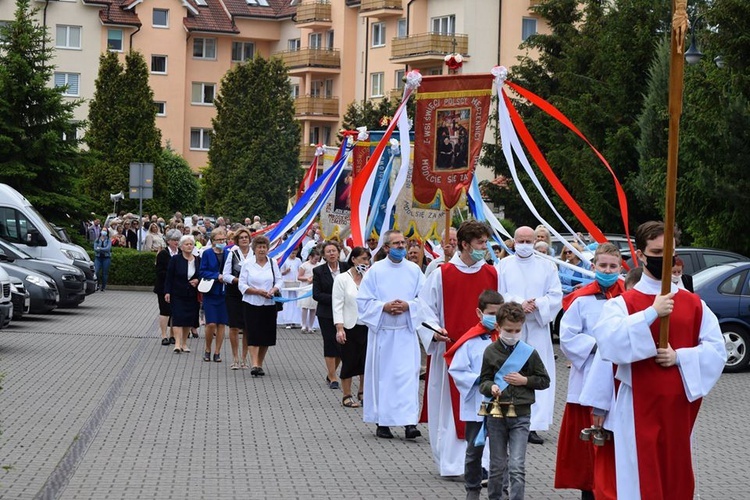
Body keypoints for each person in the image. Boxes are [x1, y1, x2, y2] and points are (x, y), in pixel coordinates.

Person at [591, 221, 726, 499]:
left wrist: (681, 357)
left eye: (671, 253)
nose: (665, 260)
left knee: (675, 473)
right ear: (640, 255)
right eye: (656, 252)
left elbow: (716, 350)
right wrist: (651, 313)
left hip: (677, 405)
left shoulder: (694, 304)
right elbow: (609, 344)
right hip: (636, 403)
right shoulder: (622, 304)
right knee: (639, 475)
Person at [418, 220, 501, 477]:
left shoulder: (493, 274)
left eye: (486, 242)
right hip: (452, 354)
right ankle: (453, 463)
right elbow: (425, 310)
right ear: (464, 245)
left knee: (487, 406)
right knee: (451, 408)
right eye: (480, 243)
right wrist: (435, 331)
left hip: (487, 354)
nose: (484, 247)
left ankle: (485, 463)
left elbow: (506, 310)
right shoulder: (441, 274)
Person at [554, 243, 625, 500]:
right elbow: (567, 336)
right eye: (603, 266)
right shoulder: (580, 299)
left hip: (620, 381)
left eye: (613, 266)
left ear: (620, 268)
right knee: (590, 446)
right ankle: (589, 491)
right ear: (593, 267)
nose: (608, 270)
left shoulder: (628, 296)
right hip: (588, 380)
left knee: (618, 443)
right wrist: (598, 345)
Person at [497, 226, 562, 445]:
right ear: (513, 242)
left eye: (528, 241)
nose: (525, 245)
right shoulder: (503, 266)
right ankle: (506, 418)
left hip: (537, 328)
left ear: (535, 242)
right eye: (520, 241)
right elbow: (499, 293)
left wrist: (538, 304)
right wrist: (518, 303)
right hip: (511, 328)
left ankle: (533, 425)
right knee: (509, 371)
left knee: (536, 372)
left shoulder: (548, 265)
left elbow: (555, 295)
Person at [357, 230, 424, 440]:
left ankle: (409, 423)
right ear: (386, 247)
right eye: (396, 244)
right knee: (384, 379)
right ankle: (383, 422)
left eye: (403, 243)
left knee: (407, 379)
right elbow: (363, 301)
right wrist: (383, 307)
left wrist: (409, 306)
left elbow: (426, 299)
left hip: (405, 333)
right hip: (384, 334)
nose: (401, 247)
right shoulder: (375, 271)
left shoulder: (414, 270)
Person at [479, 301, 550, 500]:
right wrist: (491, 387)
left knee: (517, 466)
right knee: (497, 465)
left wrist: (525, 380)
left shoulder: (529, 352)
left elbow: (544, 380)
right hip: (496, 414)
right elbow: (483, 380)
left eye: (517, 330)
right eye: (508, 330)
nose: (513, 334)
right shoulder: (490, 351)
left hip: (521, 415)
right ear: (498, 327)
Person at [446, 290, 505, 500]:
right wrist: (479, 379)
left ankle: (500, 491)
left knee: (500, 449)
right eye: (491, 313)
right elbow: (457, 370)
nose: (495, 318)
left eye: (499, 313)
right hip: (477, 402)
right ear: (479, 313)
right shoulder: (470, 341)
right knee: (474, 449)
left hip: (501, 402)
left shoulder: (507, 338)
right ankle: (472, 489)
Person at [332, 246, 371, 408]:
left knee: (365, 361)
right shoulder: (342, 279)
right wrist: (339, 328)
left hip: (367, 325)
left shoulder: (369, 277)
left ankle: (362, 392)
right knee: (349, 360)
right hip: (349, 326)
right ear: (353, 259)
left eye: (368, 259)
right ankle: (346, 395)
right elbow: (337, 304)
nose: (366, 262)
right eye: (362, 259)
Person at [238, 235, 282, 376]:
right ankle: (254, 363)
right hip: (252, 302)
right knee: (254, 333)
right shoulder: (247, 264)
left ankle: (260, 363)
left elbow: (279, 281)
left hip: (269, 303)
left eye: (264, 247)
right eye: (259, 247)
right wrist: (257, 291)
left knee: (266, 336)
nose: (262, 250)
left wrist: (273, 290)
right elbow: (242, 285)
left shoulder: (272, 262)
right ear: (254, 249)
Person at [313, 241, 350, 390]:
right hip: (326, 313)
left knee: (342, 344)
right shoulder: (318, 271)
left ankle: (331, 372)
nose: (332, 254)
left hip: (344, 313)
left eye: (334, 251)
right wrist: (336, 298)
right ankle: (333, 377)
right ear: (324, 255)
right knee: (330, 343)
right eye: (328, 252)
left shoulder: (346, 268)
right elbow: (317, 294)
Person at [222, 227, 253, 369]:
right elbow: (225, 275)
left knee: (247, 326)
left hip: (250, 293)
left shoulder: (255, 254)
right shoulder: (232, 254)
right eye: (241, 237)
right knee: (234, 326)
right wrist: (236, 280)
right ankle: (235, 357)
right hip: (234, 293)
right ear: (237, 240)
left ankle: (245, 358)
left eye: (246, 237)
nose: (244, 239)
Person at [164, 235, 201, 353]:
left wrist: (197, 280)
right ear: (181, 246)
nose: (189, 246)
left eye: (191, 244)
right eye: (187, 244)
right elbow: (169, 276)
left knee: (188, 319)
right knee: (178, 317)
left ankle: (184, 343)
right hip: (177, 293)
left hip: (192, 294)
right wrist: (167, 291)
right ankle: (177, 343)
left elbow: (201, 274)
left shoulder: (198, 259)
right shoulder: (175, 259)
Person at [199, 228, 229, 363]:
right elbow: (202, 271)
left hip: (224, 293)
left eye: (224, 239)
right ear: (213, 241)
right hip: (210, 292)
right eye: (219, 240)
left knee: (221, 323)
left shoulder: (229, 253)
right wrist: (217, 276)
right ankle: (207, 349)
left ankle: (217, 352)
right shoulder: (207, 253)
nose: (222, 242)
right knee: (210, 323)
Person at [154, 229, 181, 346]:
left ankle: (173, 335)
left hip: (178, 288)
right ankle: (164, 335)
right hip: (163, 287)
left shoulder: (181, 252)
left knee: (175, 312)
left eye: (178, 240)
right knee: (165, 311)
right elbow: (159, 272)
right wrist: (173, 274)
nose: (176, 242)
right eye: (174, 240)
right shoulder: (163, 254)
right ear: (168, 241)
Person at [278, 246, 302, 329]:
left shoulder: (298, 260)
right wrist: (285, 271)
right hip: (286, 282)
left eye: (295, 253)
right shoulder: (285, 260)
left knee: (295, 302)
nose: (293, 255)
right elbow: (280, 273)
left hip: (295, 283)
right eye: (292, 253)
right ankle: (287, 320)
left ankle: (295, 320)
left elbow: (300, 270)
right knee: (287, 302)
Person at [297, 248, 321, 334]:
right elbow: (299, 277)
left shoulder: (319, 266)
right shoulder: (304, 265)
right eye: (315, 259)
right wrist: (307, 279)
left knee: (313, 308)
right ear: (310, 257)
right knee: (305, 306)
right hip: (305, 287)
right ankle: (303, 324)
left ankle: (310, 326)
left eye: (317, 259)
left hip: (315, 287)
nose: (316, 261)